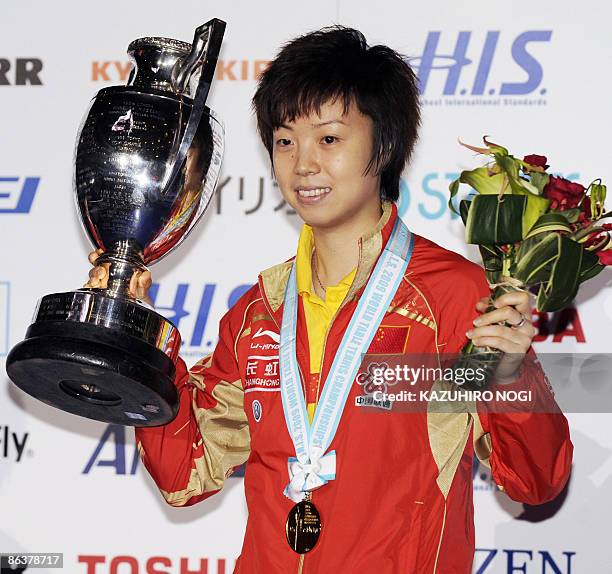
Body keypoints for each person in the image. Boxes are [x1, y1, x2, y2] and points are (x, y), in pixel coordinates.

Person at [85, 26, 572, 574]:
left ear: (384, 145)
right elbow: (185, 475)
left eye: (330, 139)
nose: (303, 164)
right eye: (285, 140)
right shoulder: (259, 312)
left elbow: (535, 481)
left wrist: (510, 379)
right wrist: (135, 341)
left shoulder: (454, 297)